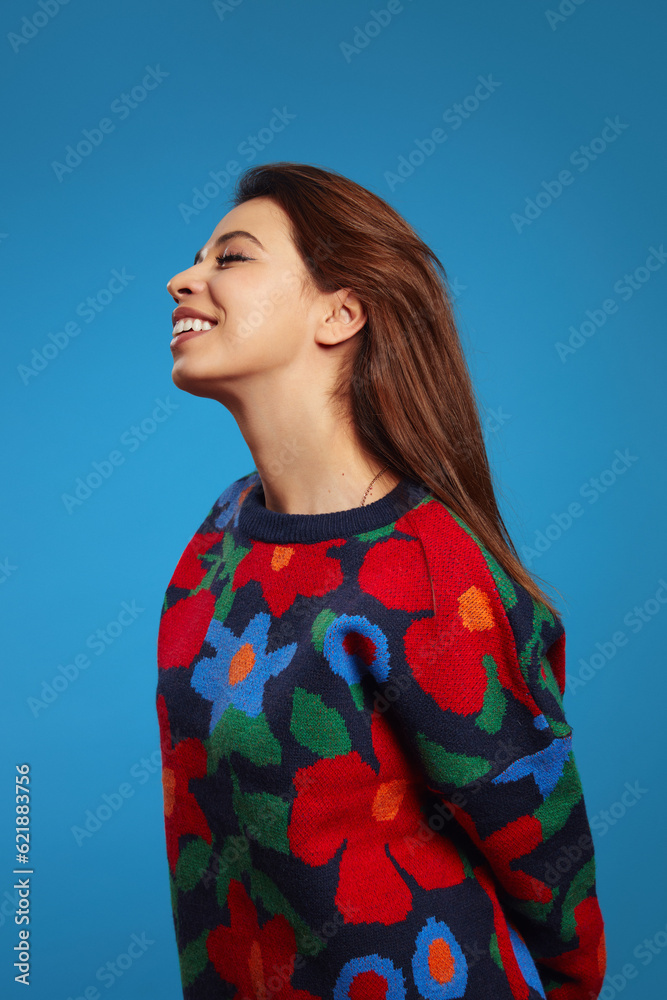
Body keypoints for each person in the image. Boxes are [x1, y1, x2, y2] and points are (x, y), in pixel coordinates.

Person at [157, 161, 606, 1000]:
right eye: (197, 258)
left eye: (232, 257)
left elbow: (540, 845)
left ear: (340, 312)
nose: (182, 279)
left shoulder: (430, 568)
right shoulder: (217, 537)